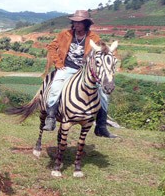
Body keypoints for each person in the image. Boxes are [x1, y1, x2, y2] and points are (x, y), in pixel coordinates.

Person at [44, 9, 118, 138]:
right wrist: (58, 63)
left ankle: (101, 126)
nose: (76, 25)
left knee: (104, 94)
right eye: (74, 22)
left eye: (80, 22)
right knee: (56, 87)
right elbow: (51, 47)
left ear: (86, 24)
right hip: (67, 68)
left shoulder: (94, 38)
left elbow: (99, 53)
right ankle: (51, 117)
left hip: (85, 71)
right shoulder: (64, 34)